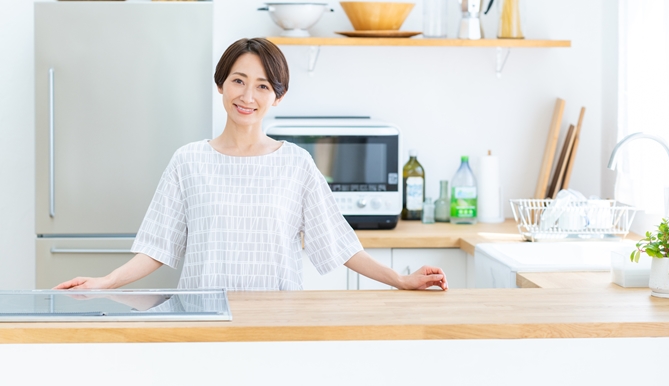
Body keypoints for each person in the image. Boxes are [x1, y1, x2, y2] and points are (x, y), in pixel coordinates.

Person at [55, 38, 448, 292]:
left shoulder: (296, 164)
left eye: (263, 85)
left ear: (277, 97)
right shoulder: (188, 161)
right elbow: (157, 247)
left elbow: (340, 245)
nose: (248, 95)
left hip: (277, 323)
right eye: (238, 80)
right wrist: (105, 282)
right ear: (221, 85)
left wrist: (400, 280)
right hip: (202, 321)